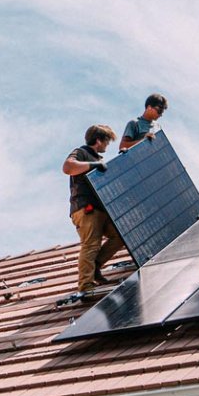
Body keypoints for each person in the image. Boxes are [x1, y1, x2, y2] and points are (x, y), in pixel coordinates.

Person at [62, 124, 126, 296]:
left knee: (119, 236)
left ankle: (95, 267)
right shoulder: (81, 153)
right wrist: (93, 165)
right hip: (85, 208)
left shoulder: (98, 159)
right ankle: (86, 285)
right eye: (106, 141)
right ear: (98, 140)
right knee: (91, 244)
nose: (107, 146)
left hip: (101, 210)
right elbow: (68, 167)